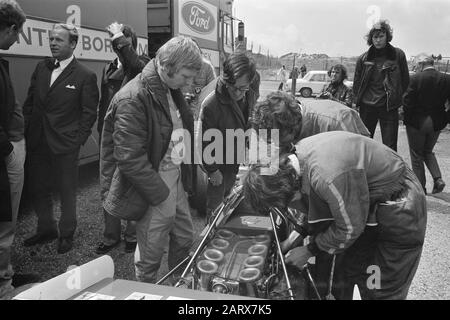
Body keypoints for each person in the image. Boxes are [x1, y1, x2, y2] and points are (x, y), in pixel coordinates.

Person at [243, 131, 426, 300]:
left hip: (399, 208)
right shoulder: (296, 163)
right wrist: (293, 238)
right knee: (355, 271)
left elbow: (349, 229)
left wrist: (309, 250)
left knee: (381, 286)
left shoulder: (327, 177)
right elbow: (317, 203)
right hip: (367, 207)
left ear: (291, 192)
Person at [100, 35, 202, 283]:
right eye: (185, 77)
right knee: (150, 251)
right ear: (166, 67)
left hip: (174, 178)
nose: (189, 84)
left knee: (185, 236)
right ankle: (147, 288)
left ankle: (176, 282)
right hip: (154, 182)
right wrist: (161, 194)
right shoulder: (133, 97)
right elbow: (129, 158)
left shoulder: (169, 87)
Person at [22, 23, 99, 254]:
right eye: (51, 39)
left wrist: (77, 140)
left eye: (59, 40)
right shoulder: (41, 68)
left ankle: (66, 233)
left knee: (67, 191)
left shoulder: (85, 75)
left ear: (73, 44)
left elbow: (89, 112)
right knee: (38, 187)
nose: (53, 43)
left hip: (65, 144)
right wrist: (27, 129)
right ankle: (46, 228)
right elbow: (30, 102)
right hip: (38, 140)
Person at [95, 22, 150, 255]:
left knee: (131, 185)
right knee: (108, 186)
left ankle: (132, 235)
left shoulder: (142, 65)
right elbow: (103, 103)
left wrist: (118, 35)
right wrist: (100, 131)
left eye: (121, 42)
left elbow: (133, 64)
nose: (117, 46)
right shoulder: (109, 68)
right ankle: (110, 236)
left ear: (130, 44)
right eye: (116, 42)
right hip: (110, 137)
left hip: (132, 135)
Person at [0, 0, 41, 298]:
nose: (17, 40)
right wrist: (7, 149)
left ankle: (6, 275)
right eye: (18, 34)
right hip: (5, 153)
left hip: (10, 146)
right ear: (12, 28)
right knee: (5, 222)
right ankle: (4, 285)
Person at [200, 52, 259, 219]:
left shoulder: (249, 93)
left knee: (229, 199)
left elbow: (247, 122)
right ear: (226, 80)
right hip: (218, 162)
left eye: (243, 88)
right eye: (234, 88)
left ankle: (223, 229)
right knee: (215, 206)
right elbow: (204, 141)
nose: (239, 93)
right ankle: (211, 238)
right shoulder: (211, 104)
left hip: (233, 158)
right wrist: (212, 170)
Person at [251, 91, 370, 153]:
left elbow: (355, 165)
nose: (277, 145)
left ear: (293, 128)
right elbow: (265, 164)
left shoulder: (338, 122)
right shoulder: (277, 122)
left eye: (279, 141)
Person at [353, 20, 409, 151]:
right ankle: (366, 170)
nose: (378, 40)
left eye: (381, 36)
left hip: (389, 106)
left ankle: (390, 171)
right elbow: (356, 84)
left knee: (390, 146)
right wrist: (356, 102)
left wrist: (401, 102)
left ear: (387, 37)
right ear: (371, 39)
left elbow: (405, 81)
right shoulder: (363, 59)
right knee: (364, 143)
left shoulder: (398, 55)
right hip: (367, 106)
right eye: (375, 37)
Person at [403, 53, 450, 194]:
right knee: (428, 151)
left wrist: (408, 119)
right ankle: (438, 179)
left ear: (422, 64)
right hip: (437, 122)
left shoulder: (415, 78)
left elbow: (407, 102)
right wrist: (446, 117)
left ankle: (420, 189)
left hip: (417, 123)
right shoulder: (447, 78)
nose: (416, 67)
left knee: (416, 155)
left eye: (416, 64)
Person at [182, 56, 216, 121]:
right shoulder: (180, 65)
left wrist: (200, 105)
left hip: (201, 112)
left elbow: (213, 91)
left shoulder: (207, 67)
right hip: (183, 110)